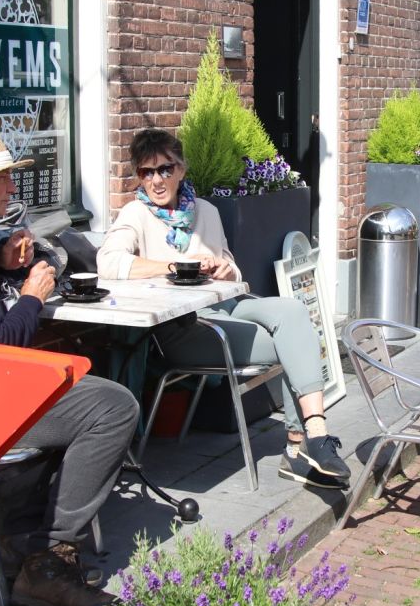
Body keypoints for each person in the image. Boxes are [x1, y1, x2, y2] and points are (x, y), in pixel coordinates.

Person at [0, 129, 140, 606]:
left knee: (90, 391)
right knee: (112, 407)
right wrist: (32, 296)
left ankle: (20, 538)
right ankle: (49, 561)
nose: (10, 187)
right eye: (0, 177)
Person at [96, 128, 349, 489]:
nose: (156, 180)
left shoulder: (207, 211)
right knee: (295, 345)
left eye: (165, 169)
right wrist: (173, 266)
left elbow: (231, 266)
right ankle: (303, 446)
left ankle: (311, 438)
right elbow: (108, 262)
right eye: (146, 172)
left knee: (294, 312)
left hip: (227, 304)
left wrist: (226, 269)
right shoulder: (136, 214)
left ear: (181, 169)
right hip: (185, 326)